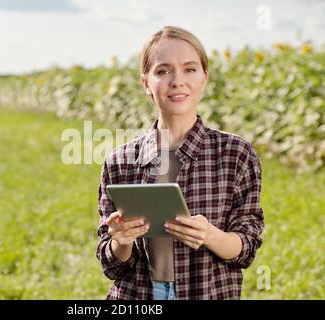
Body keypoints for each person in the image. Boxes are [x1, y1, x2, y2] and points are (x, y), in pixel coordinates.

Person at [96, 26, 264, 300]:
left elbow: (246, 248)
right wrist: (120, 240)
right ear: (146, 83)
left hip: (207, 292)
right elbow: (112, 264)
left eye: (189, 69)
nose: (177, 80)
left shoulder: (236, 154)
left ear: (204, 78)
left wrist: (210, 235)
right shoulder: (120, 162)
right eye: (163, 71)